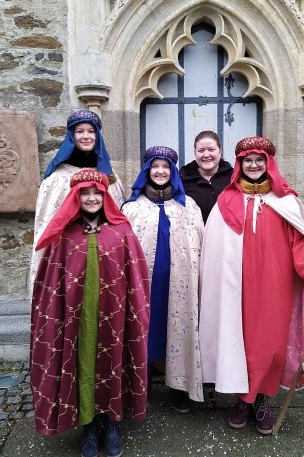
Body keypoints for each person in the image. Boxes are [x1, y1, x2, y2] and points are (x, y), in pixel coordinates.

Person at [198, 137, 304, 435]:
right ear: (240, 164)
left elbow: (301, 245)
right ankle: (243, 400)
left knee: (269, 346)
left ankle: (262, 400)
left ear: (269, 163)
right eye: (248, 160)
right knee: (239, 342)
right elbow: (213, 252)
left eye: (259, 160)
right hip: (236, 289)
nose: (254, 165)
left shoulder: (286, 202)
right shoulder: (225, 201)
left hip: (274, 287)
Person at [30, 169, 150, 457]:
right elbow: (50, 285)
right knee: (82, 365)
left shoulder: (122, 233)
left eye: (98, 193)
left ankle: (112, 422)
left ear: (106, 196)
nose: (92, 198)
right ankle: (88, 424)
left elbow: (137, 280)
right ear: (76, 197)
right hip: (77, 319)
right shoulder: (64, 236)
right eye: (85, 193)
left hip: (115, 317)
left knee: (113, 362)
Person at [121, 146, 204, 413]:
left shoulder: (188, 207)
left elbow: (199, 247)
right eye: (155, 166)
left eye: (165, 167)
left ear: (173, 171)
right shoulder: (132, 209)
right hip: (144, 286)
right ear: (147, 171)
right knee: (143, 330)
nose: (160, 171)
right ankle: (140, 384)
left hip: (179, 285)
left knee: (178, 328)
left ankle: (178, 386)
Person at [28, 109, 127, 294]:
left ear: (97, 136)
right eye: (80, 131)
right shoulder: (57, 179)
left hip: (104, 252)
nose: (86, 136)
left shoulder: (110, 176)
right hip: (67, 253)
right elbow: (47, 223)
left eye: (91, 131)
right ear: (72, 136)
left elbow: (118, 220)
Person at [179, 130, 233, 222]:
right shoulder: (183, 179)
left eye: (211, 149)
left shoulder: (233, 177)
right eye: (201, 150)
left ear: (220, 152)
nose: (206, 155)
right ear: (195, 153)